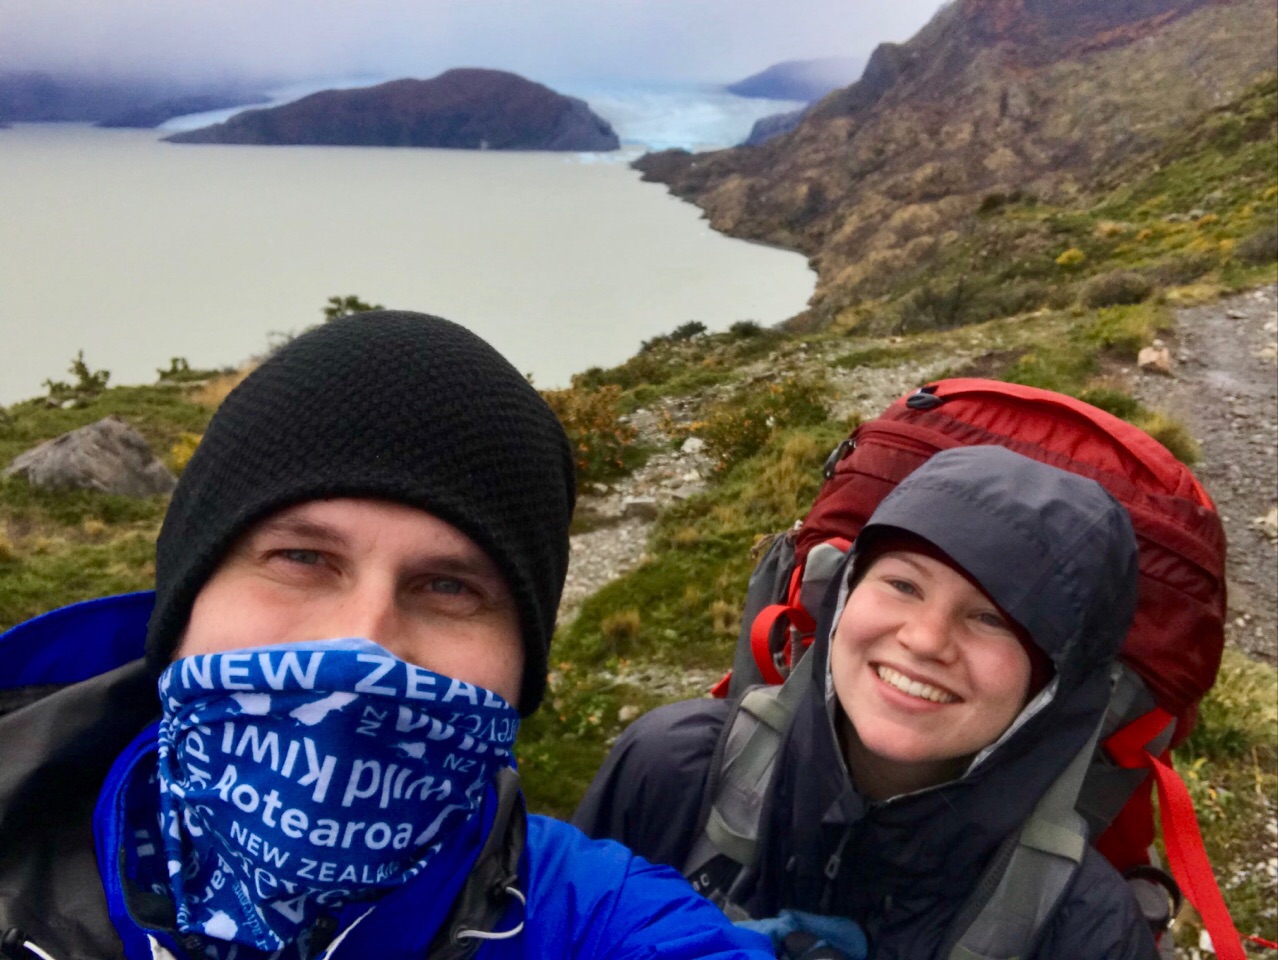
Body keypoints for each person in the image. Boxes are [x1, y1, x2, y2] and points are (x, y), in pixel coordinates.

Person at [0, 312, 775, 960]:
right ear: (183, 604)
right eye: (302, 558)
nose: (362, 645)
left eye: (450, 586)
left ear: (522, 666)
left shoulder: (599, 922)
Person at [573, 445, 1160, 959]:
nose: (924, 639)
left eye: (992, 617)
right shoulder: (674, 770)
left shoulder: (1085, 930)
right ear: (846, 591)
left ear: (1054, 685)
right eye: (903, 584)